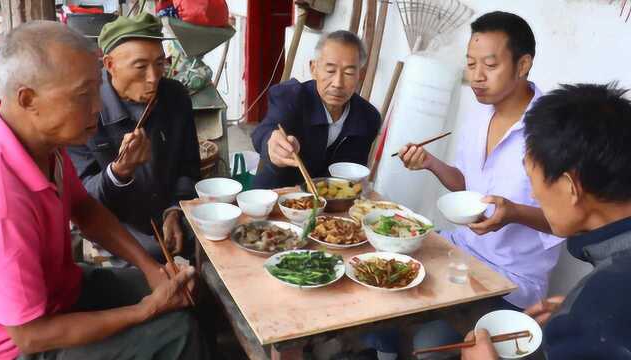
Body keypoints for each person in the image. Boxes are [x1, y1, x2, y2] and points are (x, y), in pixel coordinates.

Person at [0, 21, 202, 360]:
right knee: (177, 333)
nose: (98, 107)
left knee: (186, 297)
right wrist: (146, 310)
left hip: (63, 292)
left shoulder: (41, 139)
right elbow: (31, 336)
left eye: (96, 90)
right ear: (28, 99)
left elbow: (86, 210)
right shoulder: (0, 200)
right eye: (83, 95)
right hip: (22, 346)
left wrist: (152, 272)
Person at [360, 12, 564, 360]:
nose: (477, 76)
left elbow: (565, 219)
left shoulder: (553, 132)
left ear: (522, 64)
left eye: (490, 64)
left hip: (512, 281)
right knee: (381, 272)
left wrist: (513, 213)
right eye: (471, 64)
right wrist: (430, 163)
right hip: (461, 251)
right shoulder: (480, 113)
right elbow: (469, 187)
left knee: (430, 346)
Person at [461, 83, 631, 359]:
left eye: (531, 180)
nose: (533, 195)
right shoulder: (607, 297)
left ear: (568, 187)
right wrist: (579, 308)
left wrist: (590, 315)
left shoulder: (601, 304)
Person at [68, 13, 201, 263]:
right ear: (109, 64)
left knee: (214, 240)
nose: (153, 77)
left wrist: (174, 211)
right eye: (140, 67)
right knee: (151, 256)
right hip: (113, 220)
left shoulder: (175, 97)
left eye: (160, 63)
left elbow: (189, 167)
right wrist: (119, 171)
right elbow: (82, 199)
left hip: (167, 208)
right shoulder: (83, 109)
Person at [251, 30, 381, 189]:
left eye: (348, 72)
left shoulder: (368, 118)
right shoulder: (291, 97)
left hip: (331, 204)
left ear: (360, 76)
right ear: (314, 68)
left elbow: (351, 176)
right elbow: (264, 130)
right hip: (277, 197)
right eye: (330, 71)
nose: (338, 83)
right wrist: (270, 143)